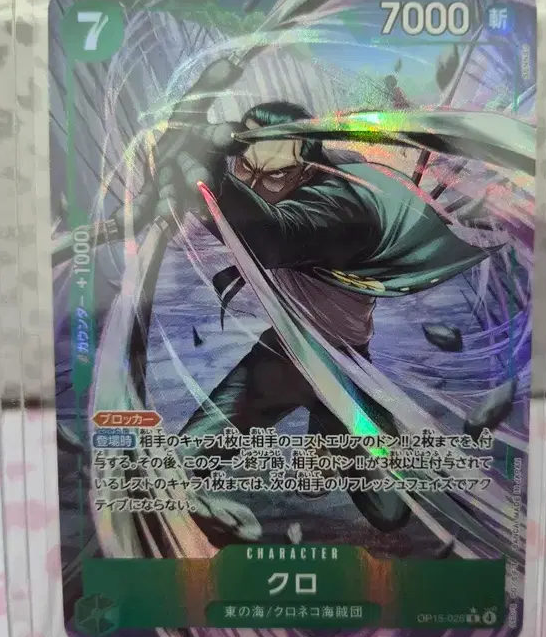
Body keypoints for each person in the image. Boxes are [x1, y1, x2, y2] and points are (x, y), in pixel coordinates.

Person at [166, 100, 496, 540]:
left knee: (390, 510)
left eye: (275, 175)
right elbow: (244, 215)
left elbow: (269, 235)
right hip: (280, 359)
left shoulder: (340, 206)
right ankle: (322, 446)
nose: (258, 185)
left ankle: (326, 445)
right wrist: (202, 161)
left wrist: (204, 172)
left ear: (306, 166)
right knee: (176, 470)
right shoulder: (304, 175)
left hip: (345, 368)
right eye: (247, 170)